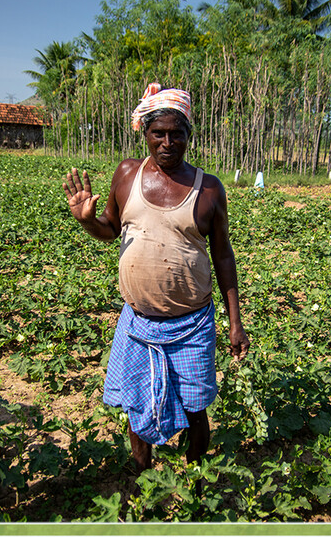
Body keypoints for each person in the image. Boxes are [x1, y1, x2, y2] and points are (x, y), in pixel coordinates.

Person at [63, 82, 249, 474]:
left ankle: (196, 475)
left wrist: (235, 322)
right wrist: (86, 222)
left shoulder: (209, 189)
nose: (167, 142)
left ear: (189, 136)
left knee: (196, 408)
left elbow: (223, 255)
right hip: (137, 322)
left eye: (176, 133)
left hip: (192, 323)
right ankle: (142, 475)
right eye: (158, 133)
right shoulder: (128, 175)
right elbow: (110, 229)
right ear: (145, 134)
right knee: (136, 404)